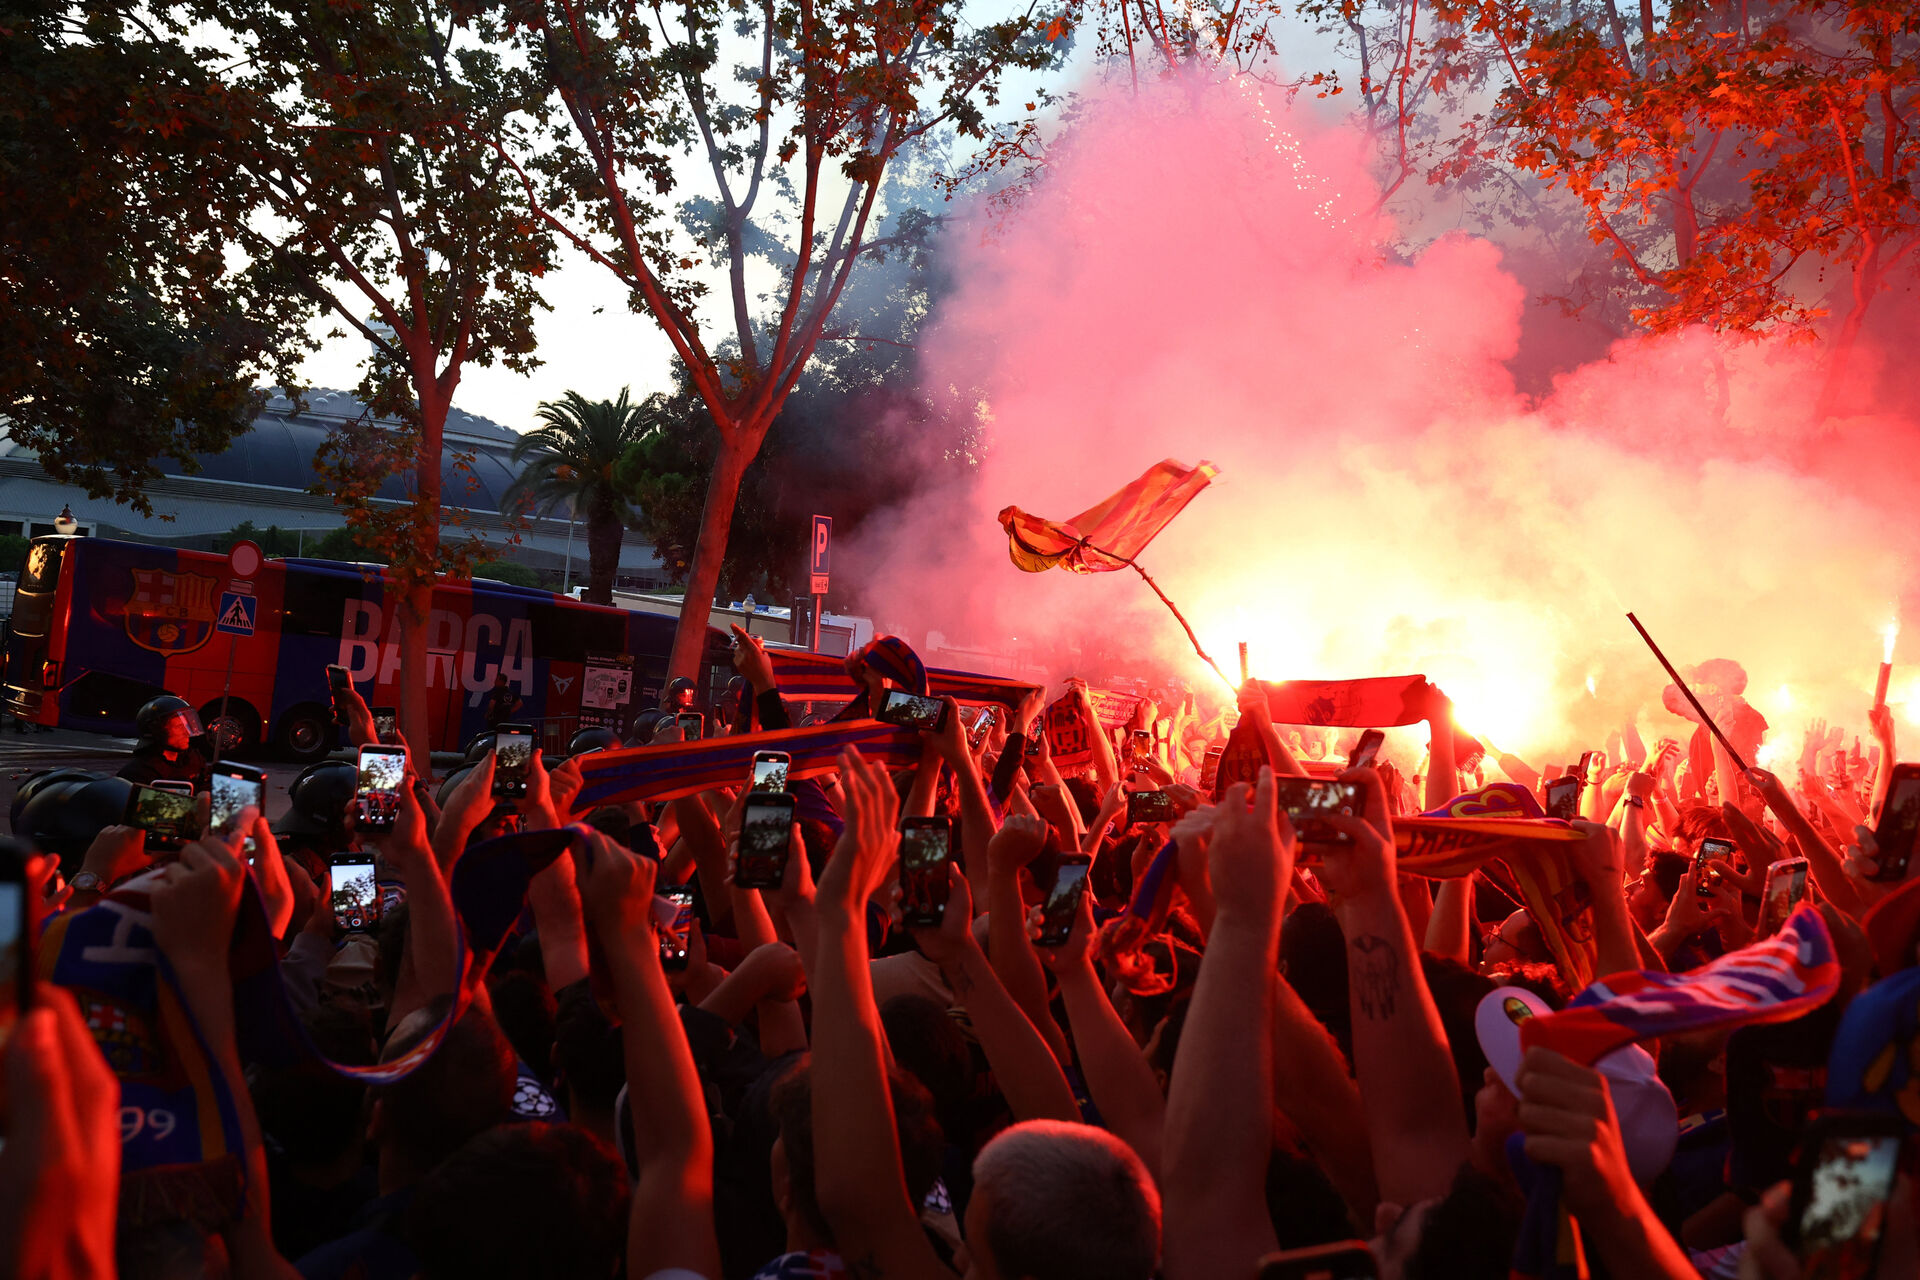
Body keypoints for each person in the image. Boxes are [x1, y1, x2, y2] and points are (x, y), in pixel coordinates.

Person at [116, 694, 211, 789]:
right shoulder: (138, 773)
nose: (186, 732)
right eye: (179, 727)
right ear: (156, 730)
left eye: (187, 726)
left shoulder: (193, 759)